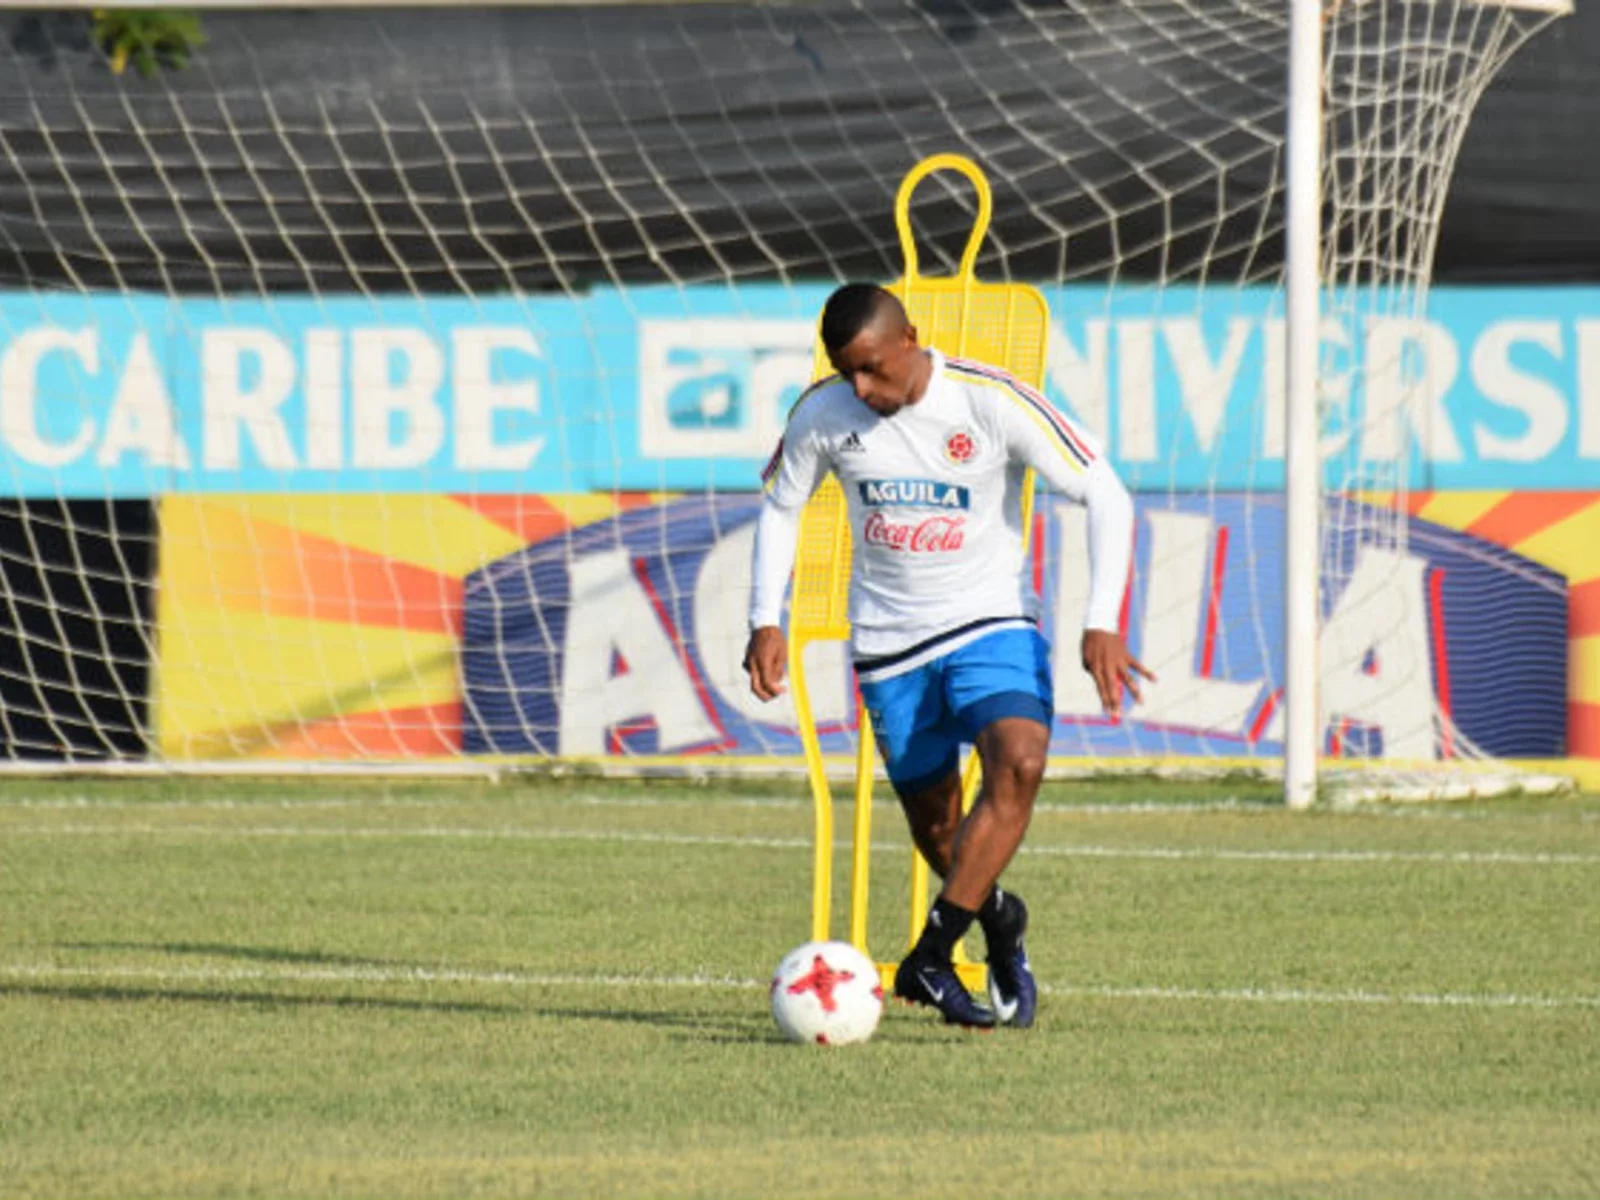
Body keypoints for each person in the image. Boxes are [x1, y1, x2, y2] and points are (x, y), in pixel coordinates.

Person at [743, 283, 1148, 1029]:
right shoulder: (822, 413)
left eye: (871, 368)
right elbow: (781, 505)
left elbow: (1106, 493)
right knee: (940, 834)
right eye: (845, 371)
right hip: (888, 643)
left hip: (989, 622)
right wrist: (764, 618)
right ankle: (1000, 920)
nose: (860, 388)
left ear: (909, 339)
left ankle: (930, 955)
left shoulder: (990, 401)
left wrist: (1102, 620)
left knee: (1020, 761)